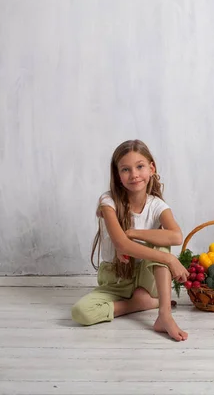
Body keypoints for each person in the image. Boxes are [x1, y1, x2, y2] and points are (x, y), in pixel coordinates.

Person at [71, 139, 189, 341]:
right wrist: (169, 259)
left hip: (147, 277)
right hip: (117, 278)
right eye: (126, 169)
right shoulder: (108, 202)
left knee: (161, 240)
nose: (134, 174)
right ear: (118, 176)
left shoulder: (157, 205)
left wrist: (133, 233)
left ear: (151, 168)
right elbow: (122, 245)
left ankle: (164, 314)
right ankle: (142, 303)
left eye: (140, 166)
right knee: (81, 312)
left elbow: (176, 236)